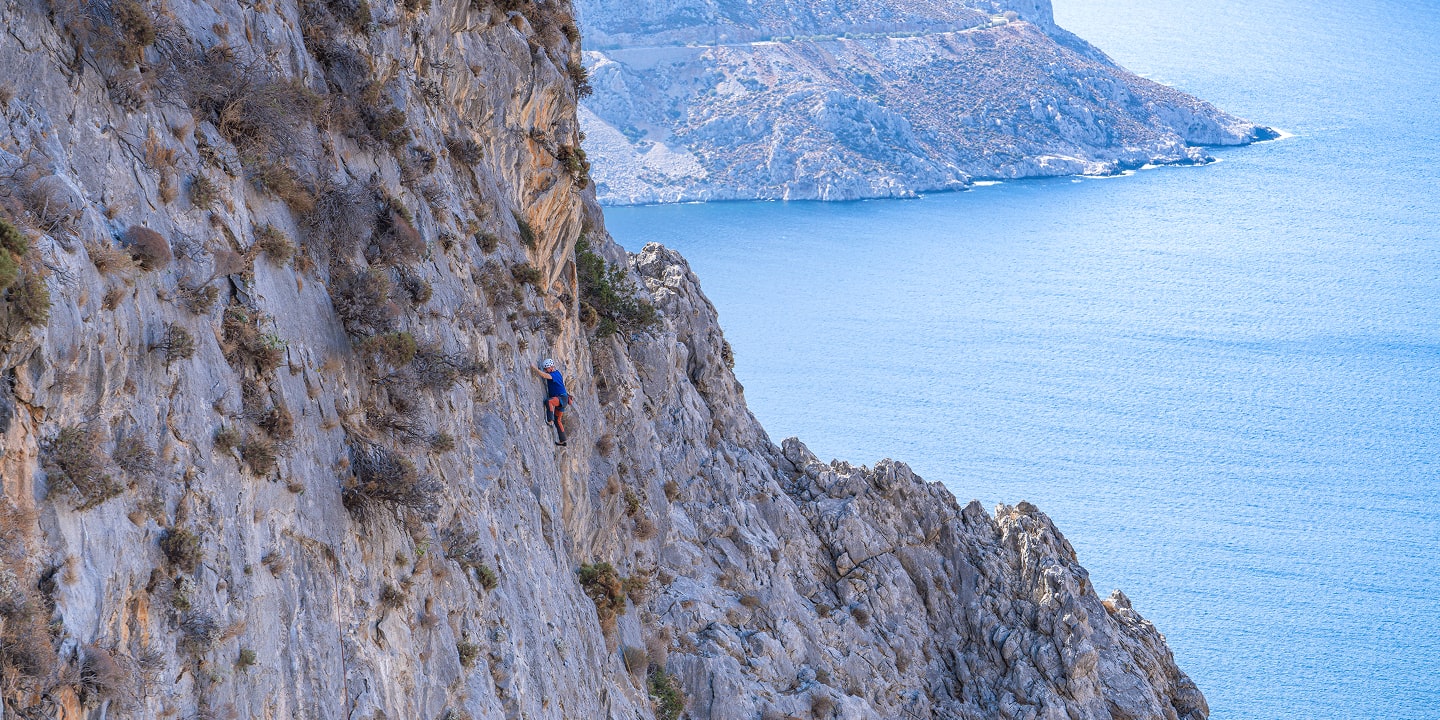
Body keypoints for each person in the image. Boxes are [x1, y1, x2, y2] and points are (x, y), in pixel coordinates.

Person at [529, 358, 569, 446]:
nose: (545, 371)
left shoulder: (554, 374)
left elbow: (545, 376)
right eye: (545, 369)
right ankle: (563, 440)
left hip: (561, 398)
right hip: (563, 398)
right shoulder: (556, 373)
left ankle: (550, 420)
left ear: (550, 368)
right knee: (558, 420)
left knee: (549, 402)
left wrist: (534, 368)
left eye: (546, 369)